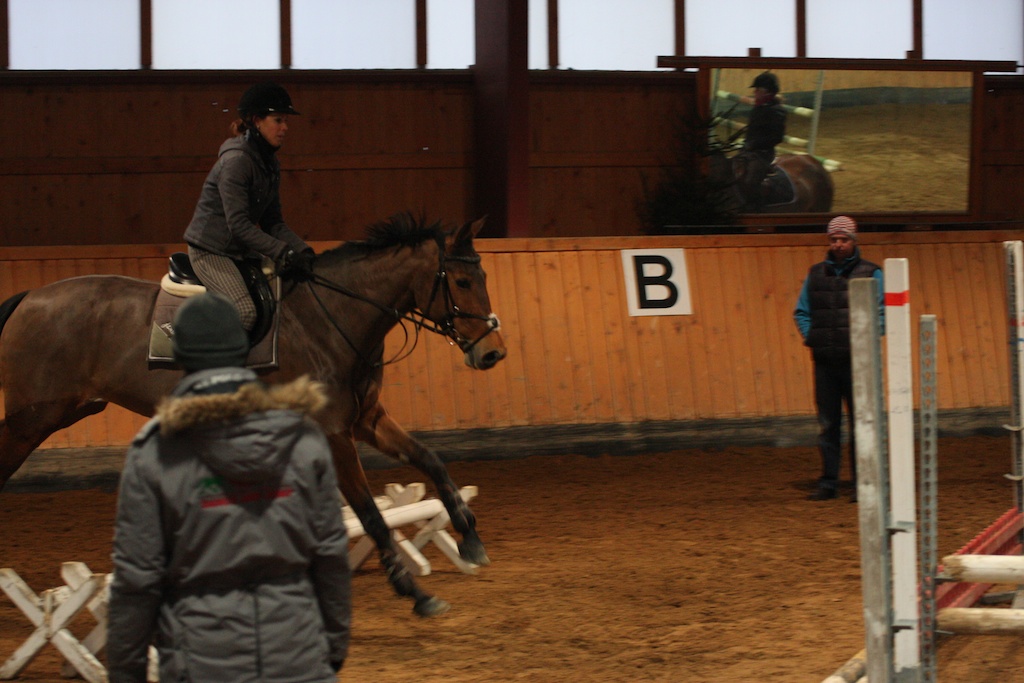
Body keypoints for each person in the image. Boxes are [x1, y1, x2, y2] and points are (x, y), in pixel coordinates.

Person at [107, 292, 351, 682]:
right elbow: (330, 555)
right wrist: (331, 648)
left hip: (201, 662)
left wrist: (125, 673)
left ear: (179, 357)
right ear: (244, 351)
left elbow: (137, 580)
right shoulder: (303, 438)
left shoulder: (155, 452)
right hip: (300, 657)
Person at [184, 82, 316, 333]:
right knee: (245, 313)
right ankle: (208, 359)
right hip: (211, 252)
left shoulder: (269, 163)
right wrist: (283, 252)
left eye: (286, 121)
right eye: (278, 120)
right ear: (257, 121)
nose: (285, 128)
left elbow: (273, 222)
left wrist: (303, 251)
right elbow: (238, 225)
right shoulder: (237, 162)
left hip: (239, 252)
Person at [793, 216, 884, 502]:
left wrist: (868, 339)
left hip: (860, 363)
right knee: (828, 425)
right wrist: (812, 336)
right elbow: (801, 312)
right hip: (825, 362)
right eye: (834, 239)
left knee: (862, 424)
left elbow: (882, 313)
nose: (838, 244)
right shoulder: (815, 274)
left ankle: (863, 483)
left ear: (853, 241)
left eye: (844, 239)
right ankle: (828, 482)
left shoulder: (872, 273)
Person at [734, 71, 787, 211]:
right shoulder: (757, 108)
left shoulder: (776, 111)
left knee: (751, 181)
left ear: (767, 91)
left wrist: (754, 144)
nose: (755, 92)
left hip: (763, 154)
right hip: (748, 151)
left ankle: (756, 210)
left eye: (758, 89)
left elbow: (777, 137)